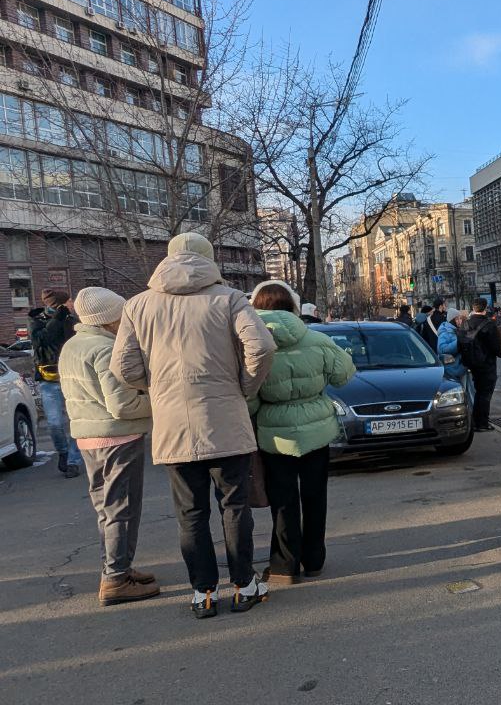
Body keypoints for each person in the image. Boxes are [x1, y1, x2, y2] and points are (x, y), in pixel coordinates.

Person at [111, 233, 276, 619]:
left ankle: (202, 592)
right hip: (225, 421)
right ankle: (243, 584)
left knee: (190, 513)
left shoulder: (138, 305)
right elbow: (263, 347)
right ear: (209, 259)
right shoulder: (230, 297)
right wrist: (244, 386)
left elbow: (122, 367)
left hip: (173, 425)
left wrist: (156, 388)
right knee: (234, 507)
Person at [249, 281, 355, 586]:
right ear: (294, 307)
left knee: (283, 499)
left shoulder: (253, 345)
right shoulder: (316, 339)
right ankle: (315, 560)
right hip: (317, 430)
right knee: (314, 495)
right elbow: (345, 374)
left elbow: (249, 396)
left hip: (275, 434)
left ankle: (285, 566)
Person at [59, 287, 158, 606]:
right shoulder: (105, 350)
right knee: (122, 508)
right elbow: (123, 406)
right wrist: (156, 400)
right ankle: (116, 578)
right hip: (118, 437)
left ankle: (119, 569)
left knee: (108, 508)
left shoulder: (73, 346)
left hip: (89, 437)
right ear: (110, 320)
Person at [30, 288, 82, 478]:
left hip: (72, 378)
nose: (72, 304)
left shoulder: (71, 321)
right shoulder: (36, 321)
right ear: (60, 304)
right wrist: (57, 319)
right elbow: (42, 340)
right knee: (54, 423)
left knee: (77, 421)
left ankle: (73, 460)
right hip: (49, 381)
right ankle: (63, 452)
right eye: (69, 301)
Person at [462, 298, 501, 431]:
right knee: (485, 394)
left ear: (473, 308)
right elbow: (495, 346)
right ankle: (482, 423)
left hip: (471, 364)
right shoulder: (489, 324)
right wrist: (500, 352)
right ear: (485, 307)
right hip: (487, 364)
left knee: (478, 392)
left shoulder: (465, 324)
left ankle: (474, 421)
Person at [436, 308, 469, 383]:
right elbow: (441, 349)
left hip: (460, 368)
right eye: (457, 319)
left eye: (460, 318)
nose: (460, 321)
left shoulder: (457, 330)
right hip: (452, 369)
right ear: (452, 320)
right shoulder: (445, 332)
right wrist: (458, 342)